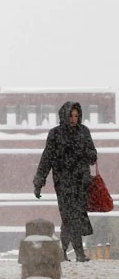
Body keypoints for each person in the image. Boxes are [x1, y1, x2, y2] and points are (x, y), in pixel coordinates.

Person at [34, 101, 97, 263]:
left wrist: (85, 151)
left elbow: (92, 156)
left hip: (81, 182)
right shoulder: (55, 134)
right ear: (64, 115)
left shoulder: (84, 132)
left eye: (76, 116)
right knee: (70, 216)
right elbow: (46, 158)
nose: (73, 119)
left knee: (72, 217)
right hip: (63, 182)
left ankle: (62, 252)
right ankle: (79, 253)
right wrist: (39, 181)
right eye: (71, 115)